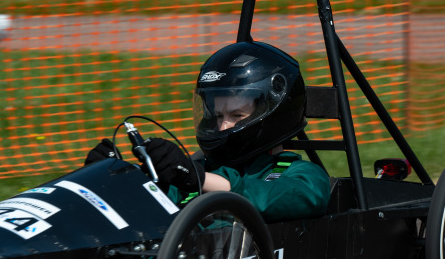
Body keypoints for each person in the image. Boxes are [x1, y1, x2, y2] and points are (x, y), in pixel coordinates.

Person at [85, 41, 330, 223]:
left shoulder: (305, 176)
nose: (223, 127)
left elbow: (278, 198)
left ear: (273, 114)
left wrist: (199, 179)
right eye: (216, 116)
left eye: (236, 116)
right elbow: (148, 211)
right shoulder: (196, 170)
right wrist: (117, 182)